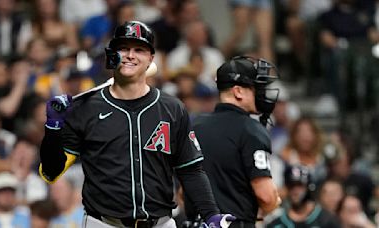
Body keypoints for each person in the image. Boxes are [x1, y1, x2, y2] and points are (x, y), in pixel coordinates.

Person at [39, 20, 234, 228]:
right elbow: (51, 172)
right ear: (112, 55)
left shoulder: (172, 108)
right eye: (123, 48)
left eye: (139, 49)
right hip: (104, 224)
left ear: (151, 58)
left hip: (161, 223)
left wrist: (211, 214)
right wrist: (53, 129)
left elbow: (191, 170)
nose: (130, 55)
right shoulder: (86, 108)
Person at [191, 56, 281, 228]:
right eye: (256, 88)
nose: (261, 94)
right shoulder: (251, 130)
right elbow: (266, 196)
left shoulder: (195, 126)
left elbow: (182, 191)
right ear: (238, 91)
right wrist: (273, 202)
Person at [266, 165, 341, 228]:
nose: (295, 191)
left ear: (309, 187)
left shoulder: (327, 220)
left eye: (299, 185)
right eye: (291, 186)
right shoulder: (277, 224)